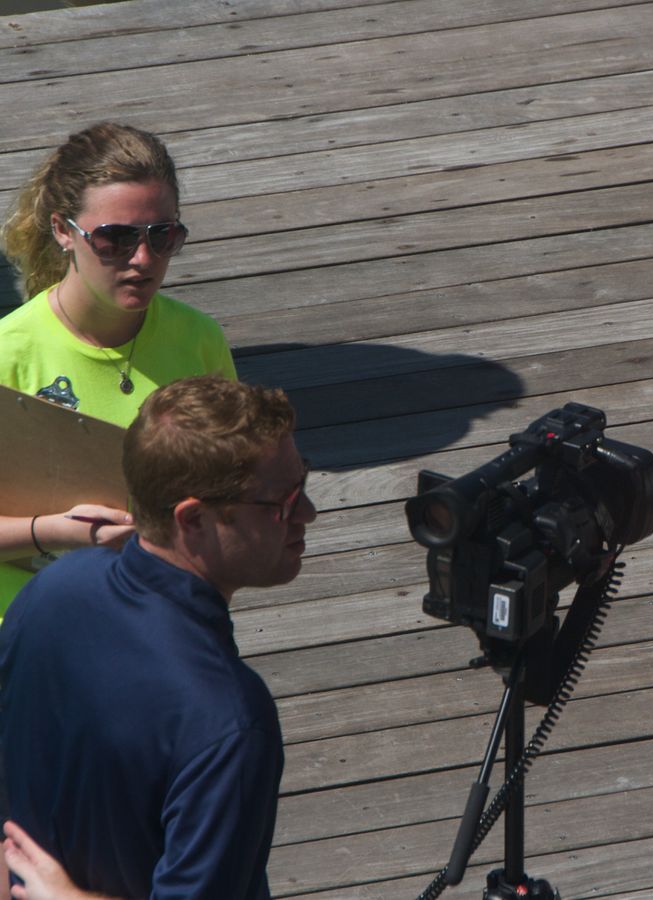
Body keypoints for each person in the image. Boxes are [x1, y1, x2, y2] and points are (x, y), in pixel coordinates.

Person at [0, 375, 314, 899]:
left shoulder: (53, 590)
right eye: (283, 503)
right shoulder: (229, 719)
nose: (308, 514)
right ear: (192, 520)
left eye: (305, 485)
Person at [0, 121, 236, 618]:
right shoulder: (8, 355)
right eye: (115, 239)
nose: (143, 259)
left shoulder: (199, 340)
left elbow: (235, 482)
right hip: (28, 621)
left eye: (163, 235)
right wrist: (56, 531)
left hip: (162, 610)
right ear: (64, 230)